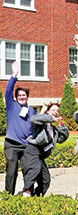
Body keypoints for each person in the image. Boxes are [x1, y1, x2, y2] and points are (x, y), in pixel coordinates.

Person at [21, 102, 69, 197]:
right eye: (53, 110)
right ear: (47, 111)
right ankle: (26, 193)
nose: (56, 112)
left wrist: (62, 127)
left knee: (45, 179)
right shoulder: (41, 122)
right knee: (34, 170)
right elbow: (33, 119)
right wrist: (50, 119)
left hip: (40, 154)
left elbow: (60, 139)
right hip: (31, 150)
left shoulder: (53, 129)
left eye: (57, 111)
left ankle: (36, 198)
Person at [4, 61, 35, 195]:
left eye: (24, 95)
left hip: (26, 145)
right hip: (11, 144)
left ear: (27, 97)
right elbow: (8, 90)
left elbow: (34, 126)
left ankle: (29, 193)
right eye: (20, 95)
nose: (22, 97)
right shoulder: (11, 105)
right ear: (16, 98)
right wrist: (14, 75)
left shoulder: (32, 110)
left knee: (29, 170)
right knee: (12, 171)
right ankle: (8, 195)